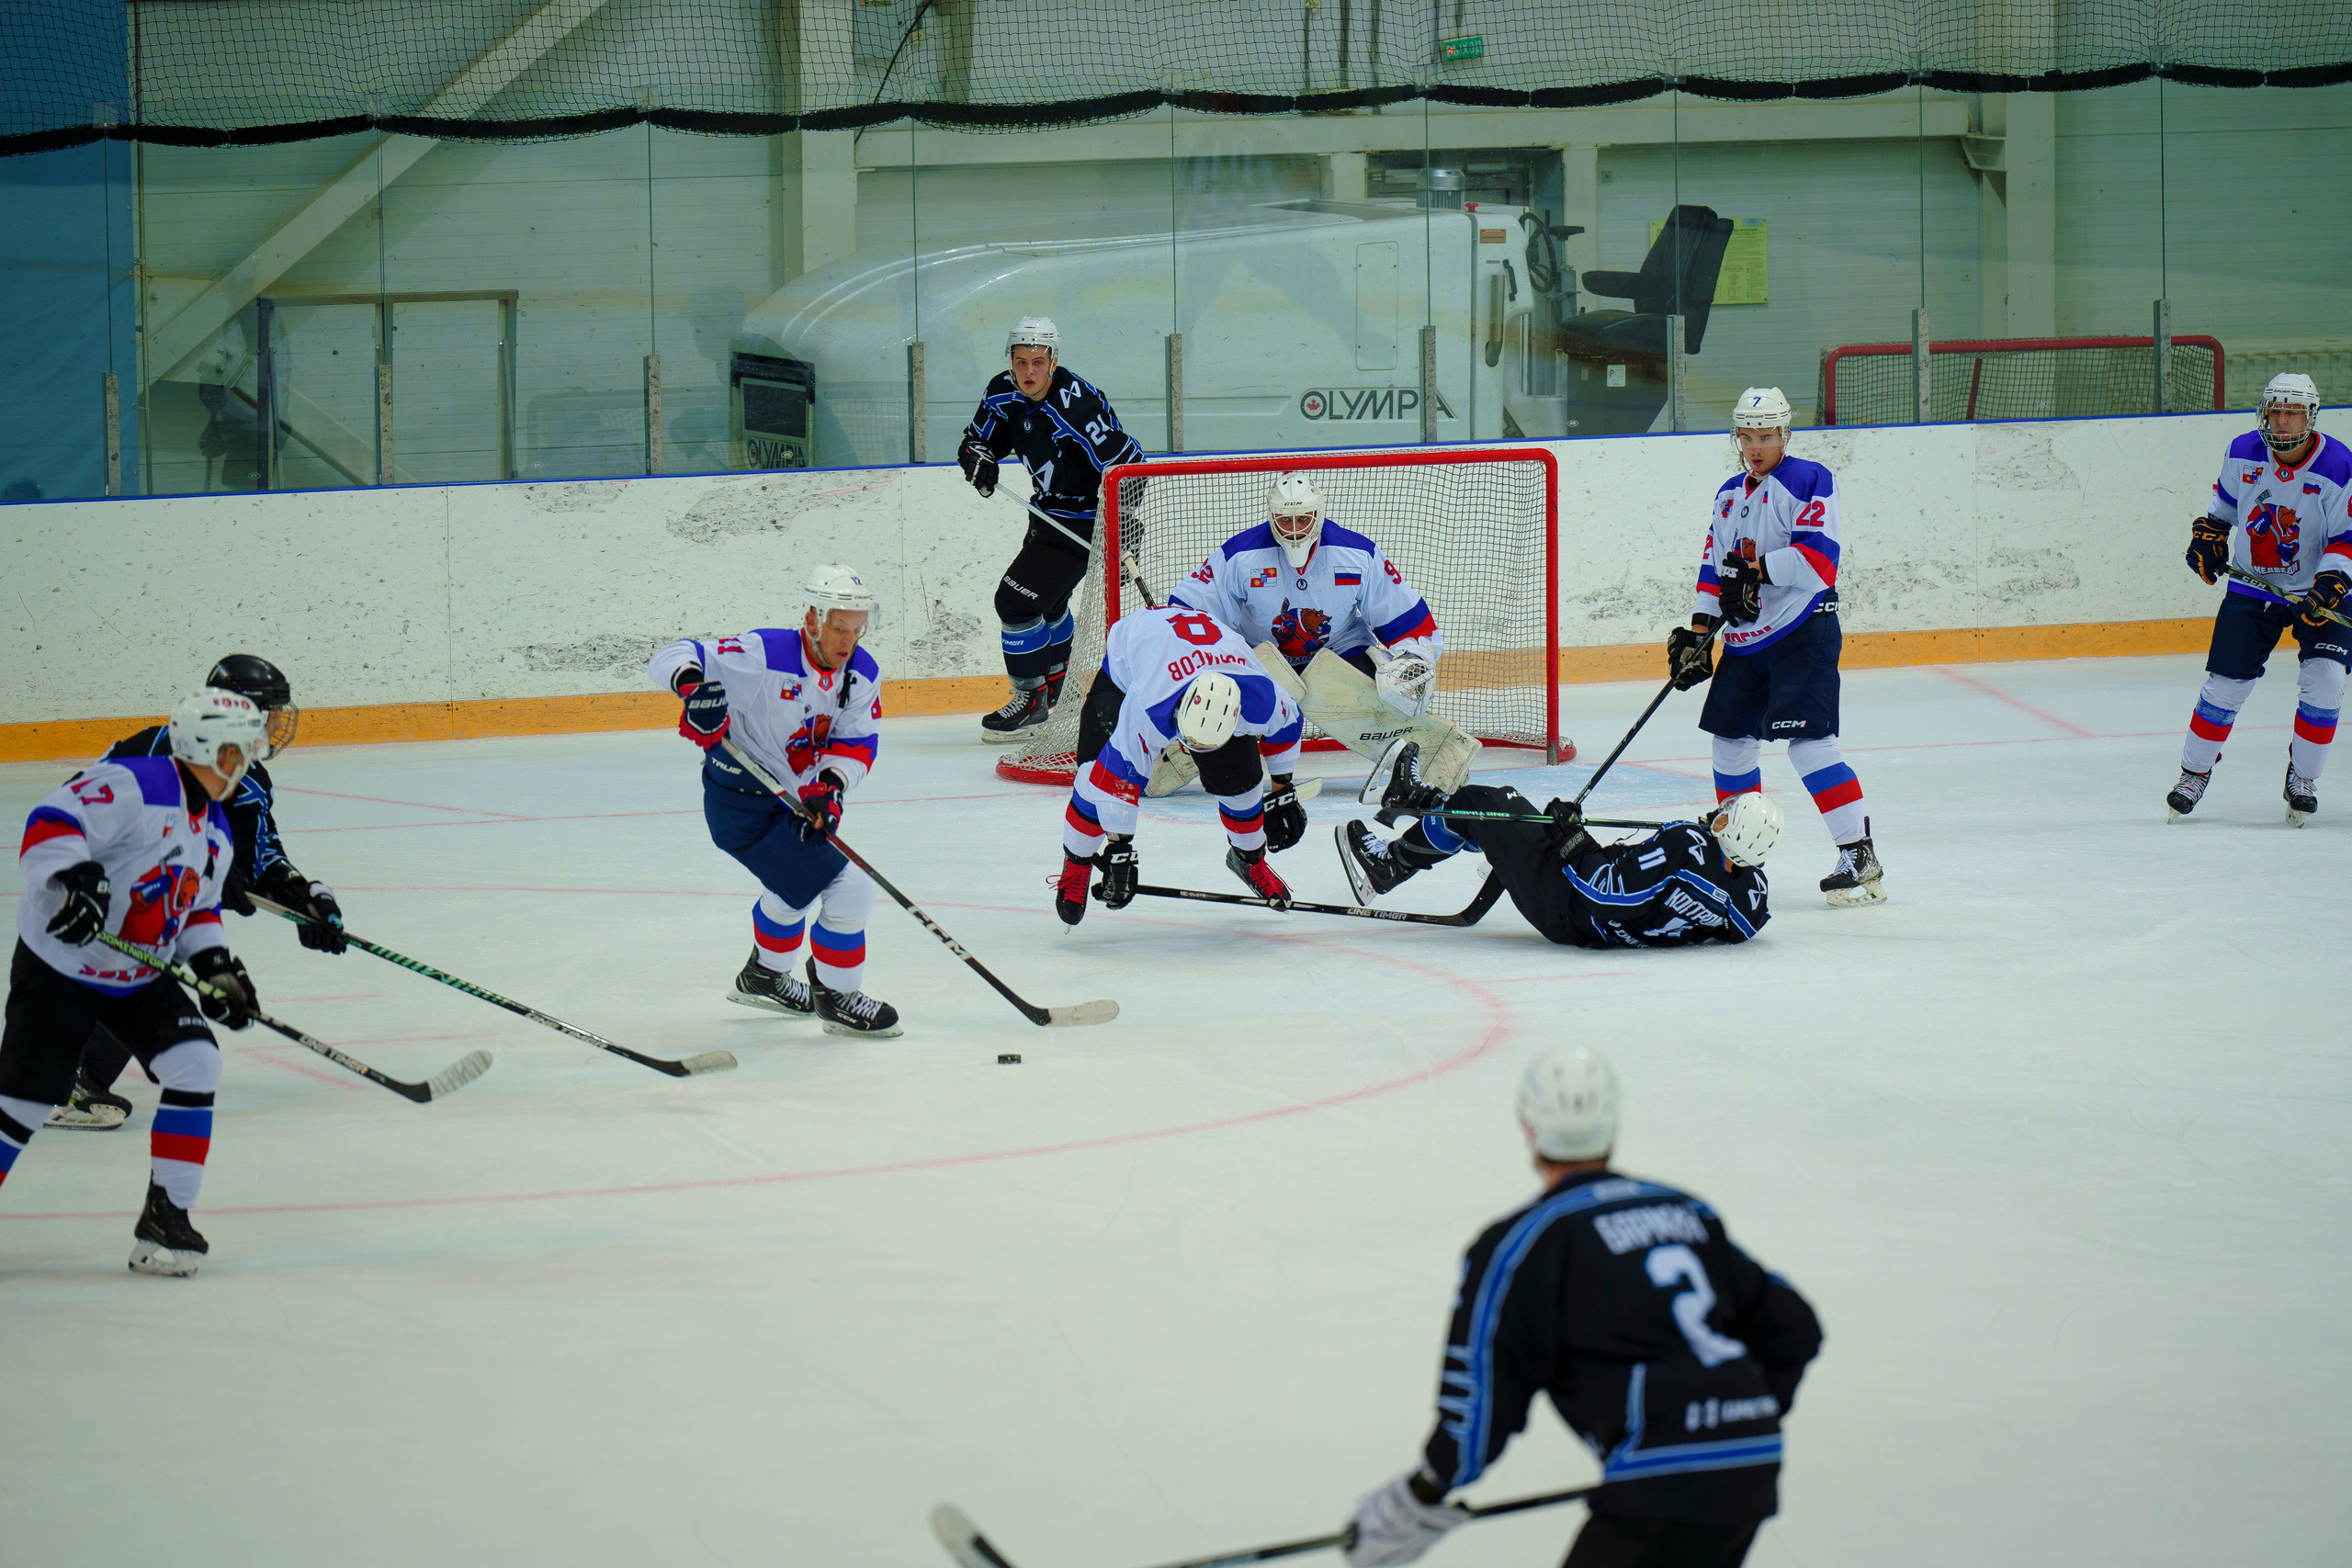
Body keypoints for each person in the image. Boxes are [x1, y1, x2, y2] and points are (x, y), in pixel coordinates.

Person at [1342, 1045, 1822, 1568]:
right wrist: (1738, 1418)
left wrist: (1420, 1495)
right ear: (1612, 1125)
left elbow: (1480, 1403)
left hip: (1661, 1486)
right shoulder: (1685, 1211)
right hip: (1748, 1467)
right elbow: (1795, 1328)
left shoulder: (1522, 1245)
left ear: (1528, 1128)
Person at [2, 688, 269, 1276]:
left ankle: (165, 1219)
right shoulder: (136, 783)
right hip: (61, 963)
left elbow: (196, 912)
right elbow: (50, 821)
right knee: (23, 1102)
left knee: (196, 1061)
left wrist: (216, 968)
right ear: (203, 748)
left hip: (133, 970)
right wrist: (75, 878)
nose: (244, 764)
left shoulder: (216, 828)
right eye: (235, 753)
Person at [48, 653, 342, 1133]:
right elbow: (72, 810)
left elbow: (262, 858)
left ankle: (66, 1073)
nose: (274, 725)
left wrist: (307, 898)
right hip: (101, 889)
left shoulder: (248, 780)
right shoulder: (146, 755)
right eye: (267, 713)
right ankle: (67, 1080)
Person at [647, 563, 900, 1037]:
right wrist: (693, 687)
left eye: (857, 629)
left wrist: (831, 786)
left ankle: (764, 976)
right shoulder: (765, 654)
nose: (848, 640)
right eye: (839, 627)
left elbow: (856, 741)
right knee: (849, 888)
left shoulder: (861, 674)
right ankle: (838, 995)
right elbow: (675, 654)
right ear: (812, 619)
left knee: (796, 882)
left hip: (794, 801)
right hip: (742, 804)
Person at [1666, 387, 1883, 909]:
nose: (1756, 446)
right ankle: (1734, 857)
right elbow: (1712, 570)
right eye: (1747, 436)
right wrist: (1699, 632)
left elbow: (1819, 562)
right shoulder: (1727, 494)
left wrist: (1757, 571)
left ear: (1786, 434)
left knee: (1809, 745)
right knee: (1730, 741)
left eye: (1766, 436)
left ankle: (1859, 856)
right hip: (1745, 639)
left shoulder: (1809, 479)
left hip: (1803, 631)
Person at [1165, 471, 1476, 790]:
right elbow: (1189, 612)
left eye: (1304, 519)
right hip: (1261, 655)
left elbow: (1406, 618)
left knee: (1383, 694)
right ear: (1272, 518)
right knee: (1218, 689)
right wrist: (1194, 666)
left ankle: (1429, 757)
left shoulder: (1357, 554)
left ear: (1319, 513)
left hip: (1340, 651)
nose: (1296, 530)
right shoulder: (1240, 555)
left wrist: (1410, 658)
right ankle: (1170, 749)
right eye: (1286, 521)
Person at [1339, 741, 1779, 948]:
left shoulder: (1688, 846)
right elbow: (1737, 923)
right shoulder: (1750, 896)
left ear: (1735, 833)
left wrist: (1572, 838)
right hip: (1588, 920)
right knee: (1501, 817)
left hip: (1569, 905)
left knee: (1488, 802)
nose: (1718, 815)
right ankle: (1430, 827)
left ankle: (1391, 861)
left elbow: (1605, 893)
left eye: (1728, 816)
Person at [2170, 371, 2352, 827]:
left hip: (2321, 591)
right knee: (2225, 687)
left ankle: (2303, 779)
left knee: (2327, 680)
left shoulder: (2339, 466)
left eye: (2292, 411)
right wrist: (2209, 537)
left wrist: (2328, 586)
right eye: (2276, 409)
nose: (2282, 420)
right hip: (2253, 585)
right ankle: (2194, 773)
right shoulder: (2241, 451)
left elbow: (2347, 539)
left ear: (2310, 415)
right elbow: (2223, 512)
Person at [1053, 604, 1306, 926]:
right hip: (1132, 665)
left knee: (1242, 784)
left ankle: (1249, 861)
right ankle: (1076, 865)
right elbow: (1114, 779)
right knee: (1093, 778)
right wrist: (1121, 848)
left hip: (1202, 661)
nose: (1192, 753)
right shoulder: (1150, 704)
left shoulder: (1261, 697)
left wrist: (1282, 790)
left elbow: (1289, 725)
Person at [958, 315, 1148, 741]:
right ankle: (1056, 683)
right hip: (1045, 515)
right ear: (1011, 360)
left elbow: (1131, 467)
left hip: (1084, 524)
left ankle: (1030, 701)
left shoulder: (1078, 406)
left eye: (1037, 362)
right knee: (1047, 606)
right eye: (1020, 361)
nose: (1028, 372)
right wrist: (978, 457)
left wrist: (1122, 522)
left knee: (1015, 603)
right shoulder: (1001, 392)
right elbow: (978, 439)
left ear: (1053, 360)